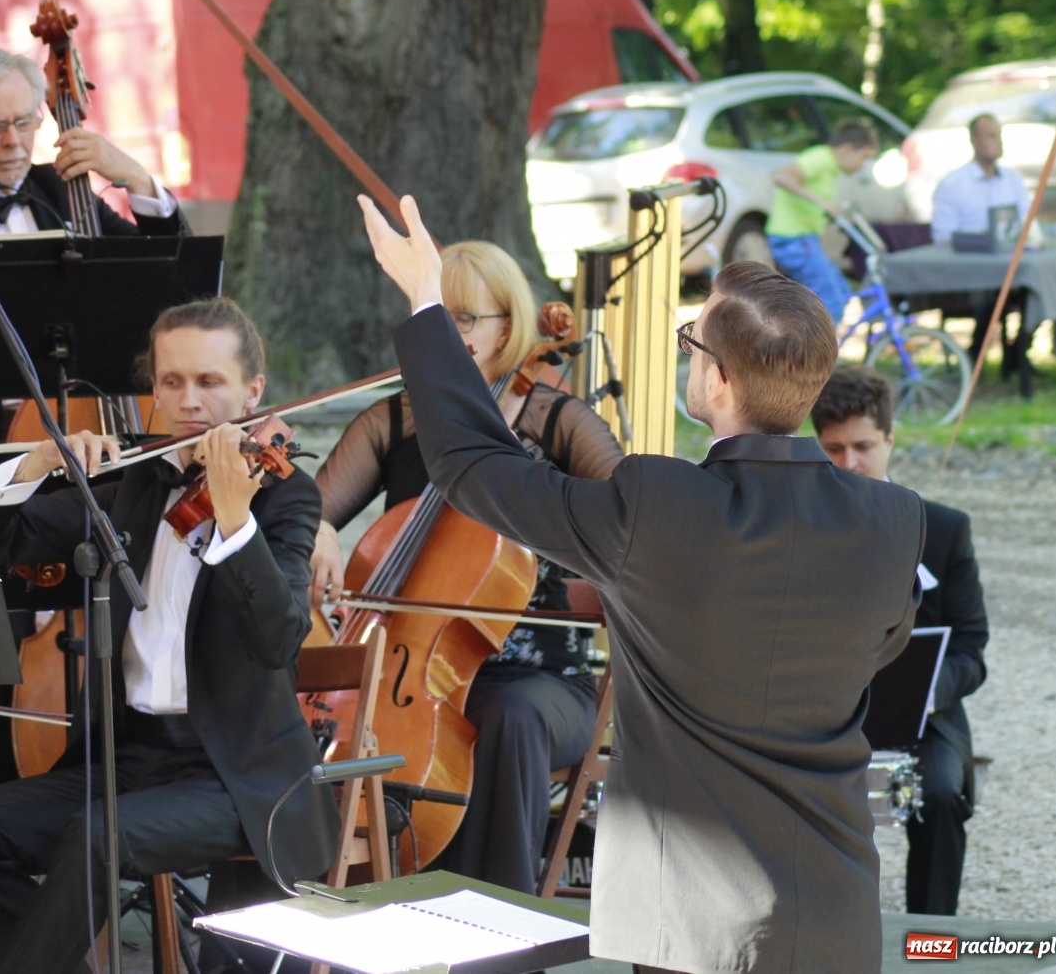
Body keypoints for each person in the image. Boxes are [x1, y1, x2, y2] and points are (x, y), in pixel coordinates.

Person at [360, 193, 925, 974]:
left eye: (692, 342)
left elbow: (473, 467)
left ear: (718, 379)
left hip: (686, 912)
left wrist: (427, 301)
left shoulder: (655, 503)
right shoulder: (895, 519)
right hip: (831, 898)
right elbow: (884, 645)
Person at [0, 297, 339, 973]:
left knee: (96, 837)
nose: (189, 400)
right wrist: (31, 468)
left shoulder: (283, 496)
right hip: (126, 758)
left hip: (235, 773)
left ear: (252, 391)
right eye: (172, 381)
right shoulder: (132, 482)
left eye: (210, 382)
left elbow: (279, 638)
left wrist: (235, 525)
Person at [311, 239, 621, 894]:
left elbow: (632, 517)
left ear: (508, 326)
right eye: (433, 314)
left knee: (510, 712)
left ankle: (500, 919)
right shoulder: (393, 419)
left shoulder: (555, 420)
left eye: (463, 318)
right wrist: (316, 532)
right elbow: (306, 511)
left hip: (540, 676)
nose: (445, 333)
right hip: (416, 673)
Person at [0, 48, 190, 497]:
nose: (14, 141)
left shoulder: (64, 193)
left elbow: (175, 276)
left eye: (25, 122)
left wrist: (136, 178)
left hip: (103, 435)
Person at [811, 365, 989, 917]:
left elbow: (971, 648)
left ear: (890, 439)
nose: (849, 464)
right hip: (823, 714)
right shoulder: (800, 524)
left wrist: (926, 689)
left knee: (939, 792)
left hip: (925, 716)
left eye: (863, 446)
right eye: (834, 449)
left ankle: (929, 943)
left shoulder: (943, 529)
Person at [765, 120, 880, 324]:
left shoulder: (831, 167)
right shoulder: (820, 157)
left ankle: (809, 346)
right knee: (830, 303)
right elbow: (782, 177)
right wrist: (823, 203)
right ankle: (816, 354)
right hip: (793, 238)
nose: (863, 165)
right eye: (863, 157)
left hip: (805, 240)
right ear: (847, 149)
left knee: (842, 293)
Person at [930, 113, 1031, 247]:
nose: (999, 141)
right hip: (971, 263)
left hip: (1013, 259)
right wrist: (978, 241)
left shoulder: (1013, 179)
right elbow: (943, 237)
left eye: (999, 135)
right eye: (991, 136)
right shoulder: (952, 184)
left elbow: (1027, 222)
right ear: (974, 140)